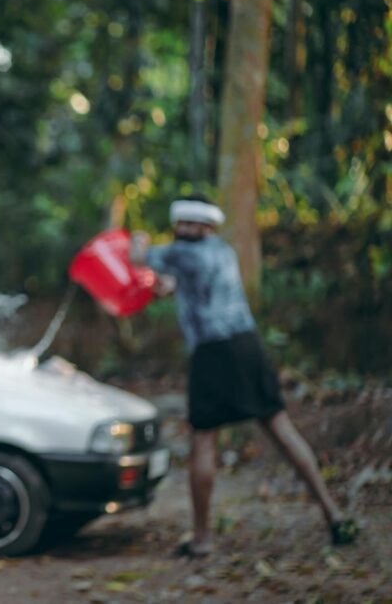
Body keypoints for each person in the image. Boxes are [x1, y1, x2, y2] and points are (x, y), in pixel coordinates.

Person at [130, 194, 357, 557]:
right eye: (181, 224)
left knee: (203, 440)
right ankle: (334, 515)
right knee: (281, 429)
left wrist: (137, 239)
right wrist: (169, 288)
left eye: (192, 224)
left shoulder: (179, 252)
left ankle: (203, 539)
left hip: (212, 353)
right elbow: (185, 283)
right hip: (248, 347)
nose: (185, 229)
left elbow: (138, 258)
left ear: (207, 225)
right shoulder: (222, 250)